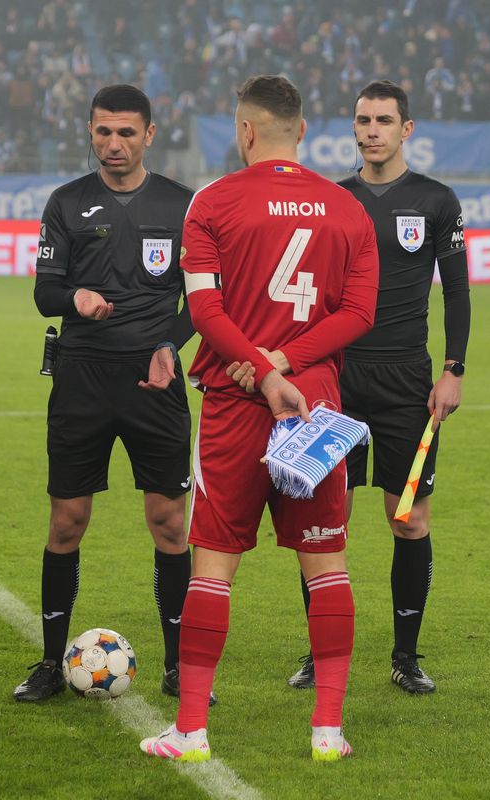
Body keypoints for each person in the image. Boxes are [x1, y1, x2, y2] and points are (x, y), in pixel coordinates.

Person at [141, 74, 378, 763]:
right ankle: (327, 732)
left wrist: (261, 366)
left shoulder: (211, 201)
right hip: (316, 409)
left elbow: (206, 313)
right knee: (327, 566)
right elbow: (358, 315)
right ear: (301, 131)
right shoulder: (347, 209)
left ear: (245, 130)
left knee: (212, 567)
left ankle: (191, 731)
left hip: (239, 405)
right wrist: (288, 360)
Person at [14, 84, 201, 704]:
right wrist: (75, 299)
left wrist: (170, 346)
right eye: (102, 132)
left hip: (155, 382)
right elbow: (46, 291)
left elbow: (201, 302)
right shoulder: (67, 203)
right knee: (67, 522)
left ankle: (179, 666)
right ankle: (48, 662)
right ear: (89, 133)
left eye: (125, 133)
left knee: (169, 523)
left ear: (150, 134)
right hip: (82, 381)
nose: (113, 144)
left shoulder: (183, 204)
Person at [287, 80, 470, 696]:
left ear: (406, 129)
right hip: (335, 378)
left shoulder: (437, 200)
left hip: (406, 382)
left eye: (384, 120)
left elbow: (458, 290)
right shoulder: (330, 200)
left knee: (409, 519)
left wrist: (454, 369)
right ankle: (320, 652)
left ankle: (406, 656)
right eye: (363, 119)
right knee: (322, 521)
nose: (372, 130)